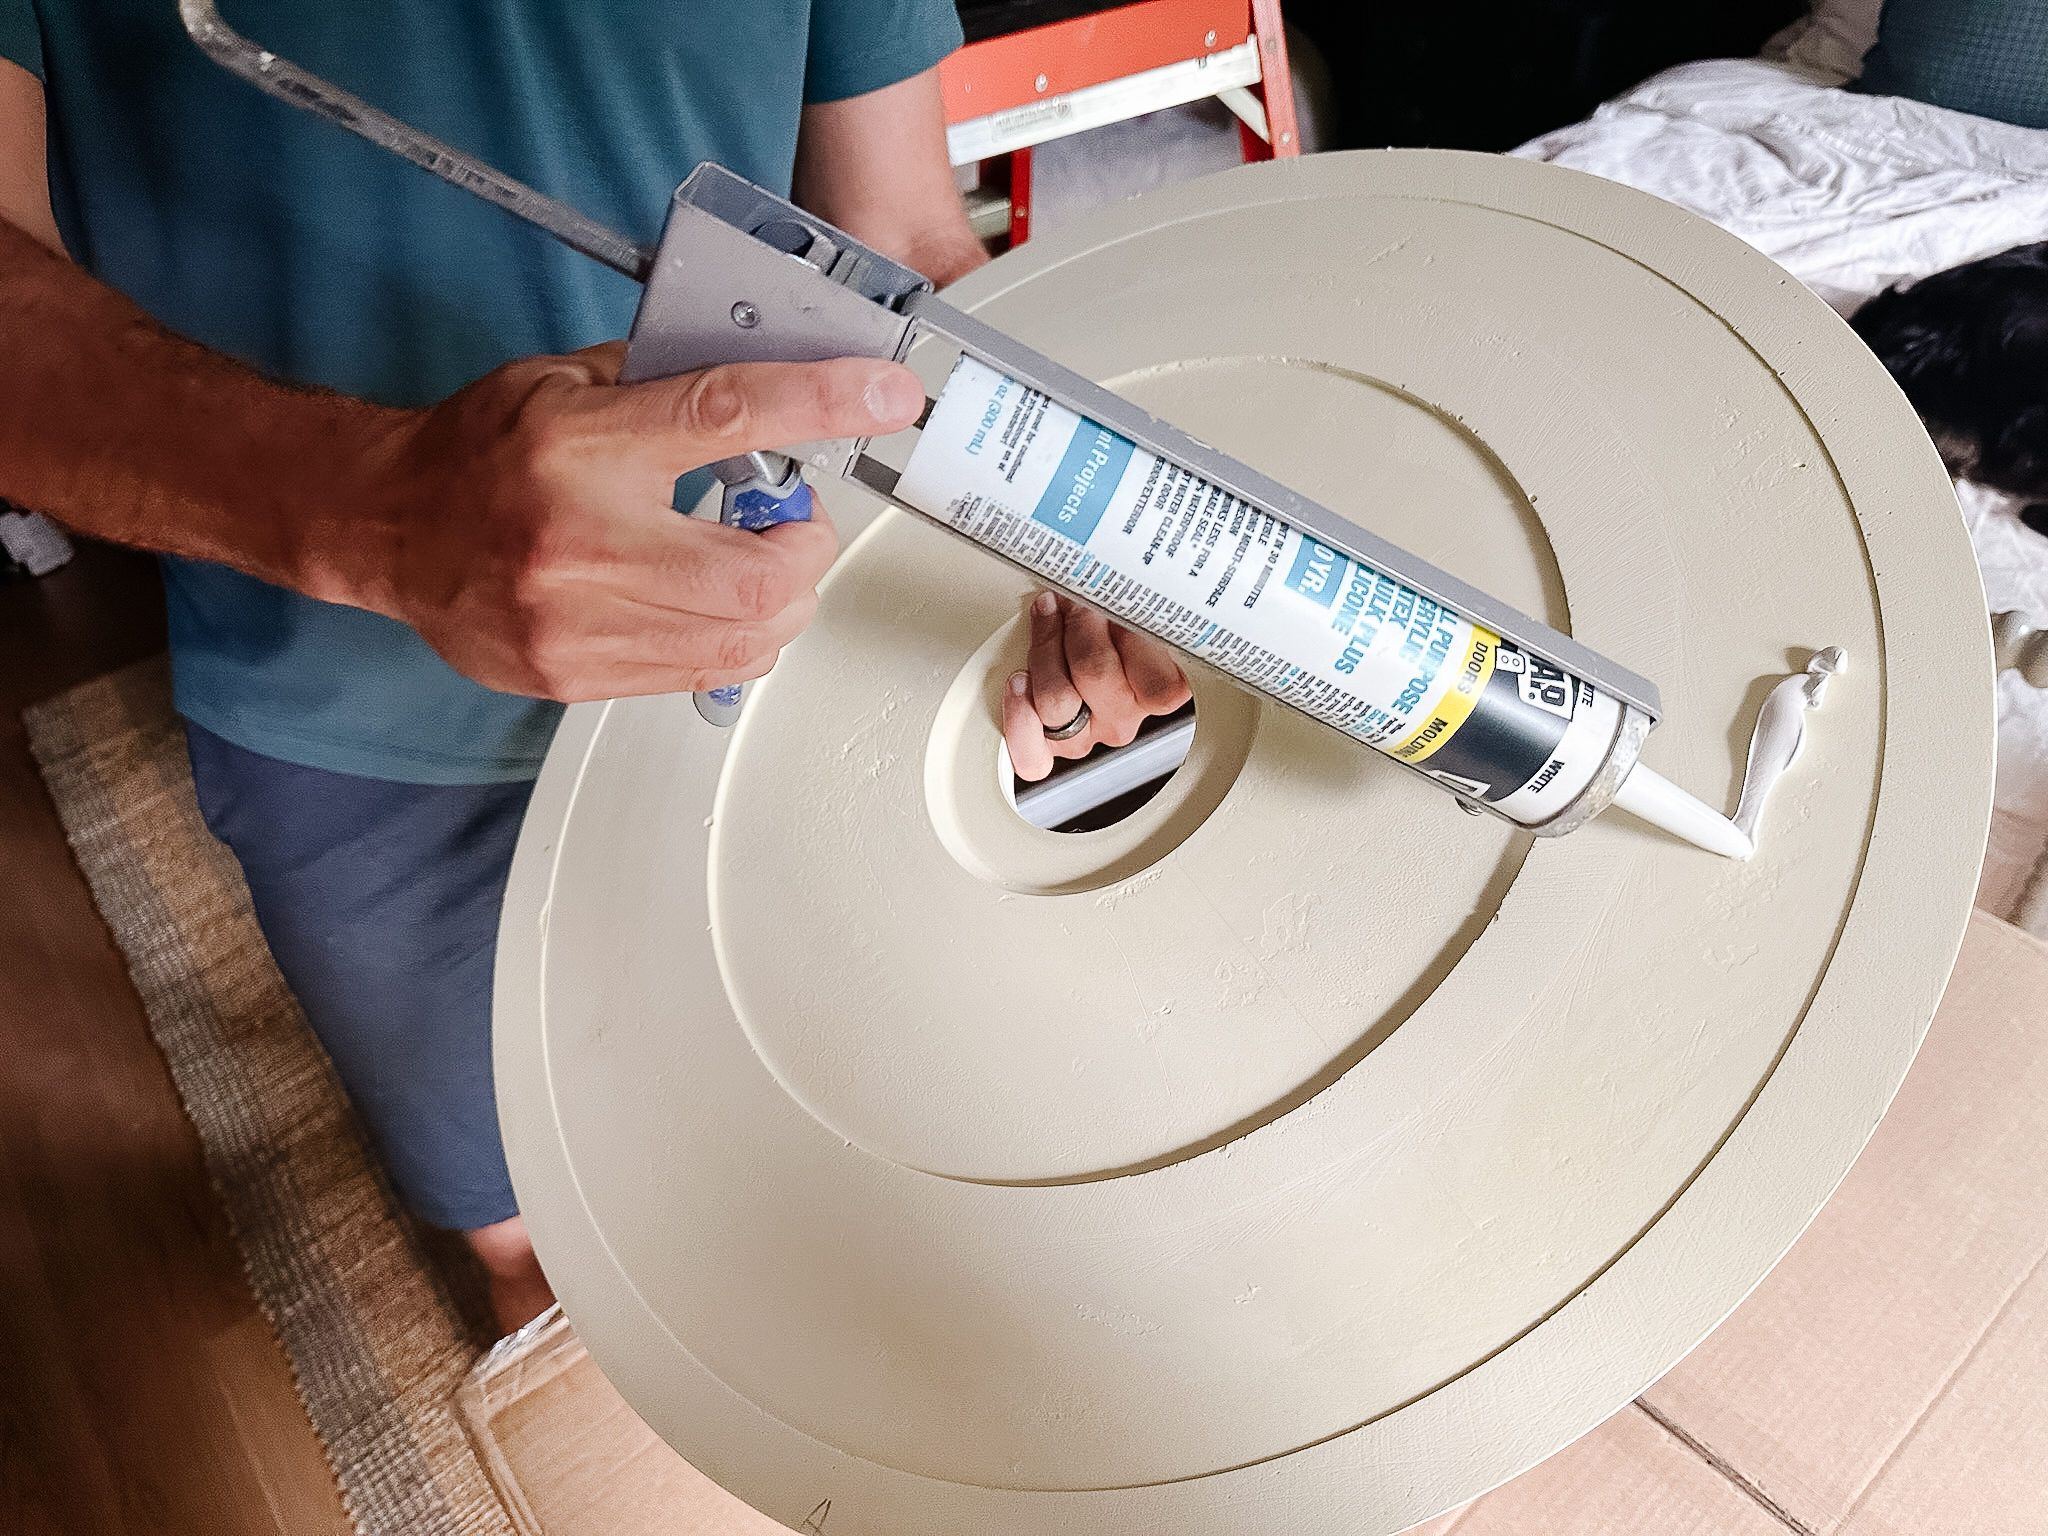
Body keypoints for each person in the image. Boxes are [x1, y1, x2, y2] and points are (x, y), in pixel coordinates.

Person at [0, 1, 1186, 1333]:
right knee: (535, 1242)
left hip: (793, 623)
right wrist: (378, 515)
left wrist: (1090, 538)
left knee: (873, 1141)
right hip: (348, 706)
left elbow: (905, 244)